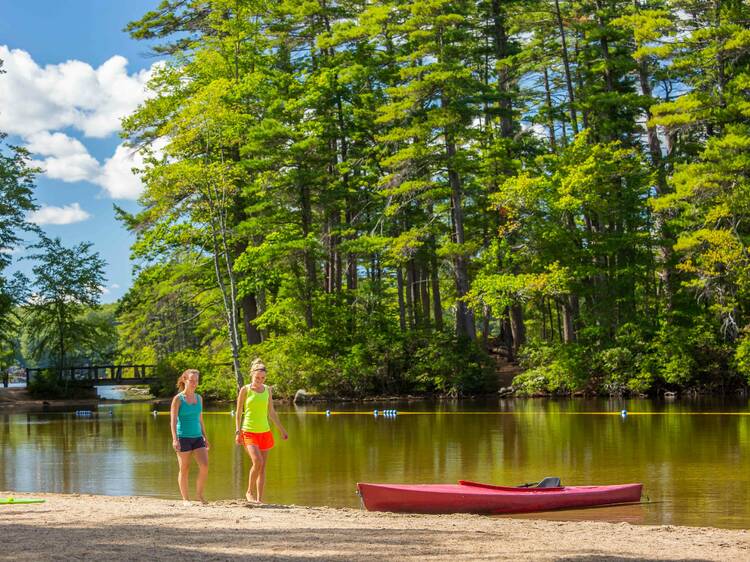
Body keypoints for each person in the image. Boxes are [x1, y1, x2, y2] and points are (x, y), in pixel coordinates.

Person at [235, 358, 288, 504]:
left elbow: (271, 412)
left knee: (263, 467)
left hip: (265, 432)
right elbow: (239, 412)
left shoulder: (267, 390)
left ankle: (260, 499)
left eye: (263, 378)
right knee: (257, 461)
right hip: (248, 431)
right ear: (252, 375)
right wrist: (237, 431)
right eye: (257, 377)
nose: (260, 380)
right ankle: (249, 492)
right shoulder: (245, 390)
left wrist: (282, 430)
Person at [170, 369, 209, 505]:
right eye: (191, 380)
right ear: (185, 380)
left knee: (204, 466)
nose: (194, 383)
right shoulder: (178, 399)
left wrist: (205, 436)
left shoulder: (199, 398)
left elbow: (200, 419)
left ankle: (199, 495)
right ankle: (186, 499)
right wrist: (175, 439)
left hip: (198, 437)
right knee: (184, 468)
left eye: (196, 381)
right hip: (183, 437)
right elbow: (173, 420)